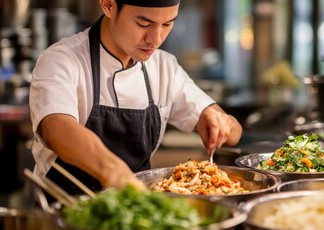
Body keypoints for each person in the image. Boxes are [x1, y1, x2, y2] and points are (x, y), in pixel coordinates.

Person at [29, 0, 242, 197]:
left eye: (167, 24)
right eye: (143, 24)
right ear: (109, 5)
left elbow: (234, 133)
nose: (155, 39)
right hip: (66, 215)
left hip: (137, 217)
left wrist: (221, 122)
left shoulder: (164, 67)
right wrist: (114, 171)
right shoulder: (61, 60)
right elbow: (56, 129)